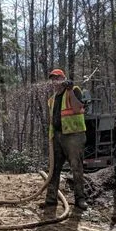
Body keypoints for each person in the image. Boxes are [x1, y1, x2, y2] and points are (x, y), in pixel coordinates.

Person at [45, 68, 88, 211]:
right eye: (53, 79)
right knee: (53, 169)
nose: (55, 81)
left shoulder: (74, 90)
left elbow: (77, 109)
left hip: (73, 135)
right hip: (57, 136)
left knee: (76, 167)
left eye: (58, 78)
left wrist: (69, 90)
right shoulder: (52, 100)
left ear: (63, 78)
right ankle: (51, 200)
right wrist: (51, 137)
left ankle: (80, 199)